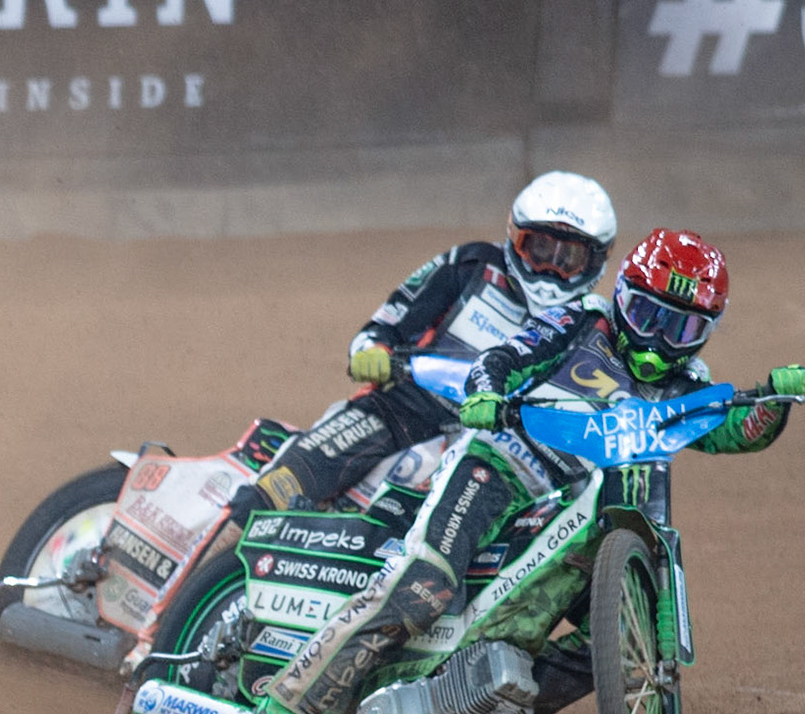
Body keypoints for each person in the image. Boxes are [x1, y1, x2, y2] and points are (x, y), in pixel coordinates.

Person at [255, 228, 805, 714]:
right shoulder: (581, 321)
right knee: (425, 585)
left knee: (615, 642)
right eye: (647, 314)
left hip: (575, 503)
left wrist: (771, 400)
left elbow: (731, 431)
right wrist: (487, 393)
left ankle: (474, 712)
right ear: (622, 295)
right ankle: (290, 707)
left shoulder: (686, 383)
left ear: (705, 334)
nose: (658, 340)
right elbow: (503, 356)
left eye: (682, 327)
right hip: (500, 466)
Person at [225, 171, 618, 523]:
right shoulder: (471, 265)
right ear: (516, 241)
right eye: (541, 249)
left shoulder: (590, 325)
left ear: (595, 262)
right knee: (274, 490)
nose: (550, 267)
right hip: (406, 409)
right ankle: (218, 553)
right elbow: (387, 323)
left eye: (569, 257)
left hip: (497, 449)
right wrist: (374, 352)